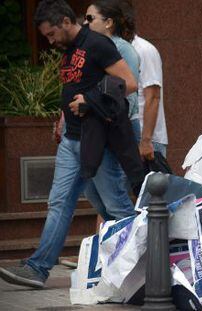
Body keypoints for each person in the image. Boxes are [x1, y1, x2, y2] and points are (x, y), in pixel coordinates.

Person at [0, 0, 138, 289]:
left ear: (65, 21)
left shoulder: (98, 44)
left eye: (51, 34)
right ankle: (38, 268)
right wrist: (63, 115)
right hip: (71, 141)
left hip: (97, 141)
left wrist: (90, 100)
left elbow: (129, 83)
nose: (49, 41)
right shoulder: (70, 50)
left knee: (115, 206)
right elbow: (74, 86)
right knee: (60, 202)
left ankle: (146, 261)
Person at [82, 0, 141, 221]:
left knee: (114, 196)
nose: (85, 23)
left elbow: (129, 90)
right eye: (84, 18)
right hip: (92, 127)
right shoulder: (89, 46)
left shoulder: (123, 48)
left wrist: (95, 104)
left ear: (108, 23)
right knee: (95, 194)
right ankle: (120, 242)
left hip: (113, 127)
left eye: (90, 18)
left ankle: (134, 245)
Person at [119, 1, 168, 160]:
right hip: (125, 135)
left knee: (148, 184)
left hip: (145, 138)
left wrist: (146, 141)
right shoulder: (115, 51)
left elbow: (153, 96)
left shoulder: (144, 50)